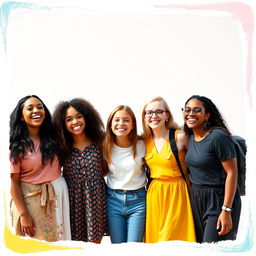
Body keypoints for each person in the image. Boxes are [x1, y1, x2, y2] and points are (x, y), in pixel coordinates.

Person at [9, 95, 71, 242]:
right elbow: (14, 184)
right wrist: (24, 215)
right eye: (30, 108)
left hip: (56, 198)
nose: (36, 110)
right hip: (31, 203)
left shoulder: (54, 139)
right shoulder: (17, 148)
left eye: (40, 107)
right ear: (22, 117)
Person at [183, 95, 241, 243]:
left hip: (218, 199)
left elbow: (232, 172)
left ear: (207, 115)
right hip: (196, 198)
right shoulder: (189, 137)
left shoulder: (218, 137)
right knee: (199, 248)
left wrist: (226, 210)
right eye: (187, 110)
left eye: (197, 110)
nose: (190, 114)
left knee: (213, 248)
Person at [52, 98, 108, 243]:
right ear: (63, 123)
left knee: (95, 241)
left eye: (78, 116)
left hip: (96, 196)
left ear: (86, 117)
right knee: (75, 242)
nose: (75, 122)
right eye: (69, 119)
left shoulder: (100, 138)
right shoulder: (60, 144)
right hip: (72, 198)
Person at [142, 96, 196, 243]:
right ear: (145, 117)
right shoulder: (143, 141)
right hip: (154, 195)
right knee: (156, 241)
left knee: (174, 238)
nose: (154, 116)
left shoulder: (181, 136)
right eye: (149, 112)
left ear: (167, 115)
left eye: (159, 111)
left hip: (177, 193)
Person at [103, 105, 147, 243]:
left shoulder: (142, 144)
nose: (121, 124)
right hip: (113, 200)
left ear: (133, 125)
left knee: (134, 248)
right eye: (117, 120)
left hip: (138, 201)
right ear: (110, 124)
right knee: (118, 248)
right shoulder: (104, 145)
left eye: (126, 120)